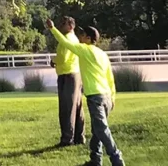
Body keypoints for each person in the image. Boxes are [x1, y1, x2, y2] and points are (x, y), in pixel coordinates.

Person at [46, 18, 124, 166]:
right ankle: (95, 160)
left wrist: (52, 28)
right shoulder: (102, 54)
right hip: (106, 95)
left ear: (88, 38)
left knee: (102, 130)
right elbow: (110, 77)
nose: (80, 37)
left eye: (82, 35)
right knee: (97, 130)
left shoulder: (84, 50)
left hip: (96, 96)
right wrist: (113, 97)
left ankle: (116, 158)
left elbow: (64, 42)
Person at [53, 16, 85, 147]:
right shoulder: (74, 39)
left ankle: (67, 139)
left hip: (67, 75)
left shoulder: (67, 39)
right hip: (75, 74)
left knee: (67, 108)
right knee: (77, 107)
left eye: (64, 24)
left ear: (71, 26)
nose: (61, 25)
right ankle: (79, 136)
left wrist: (53, 61)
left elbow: (63, 58)